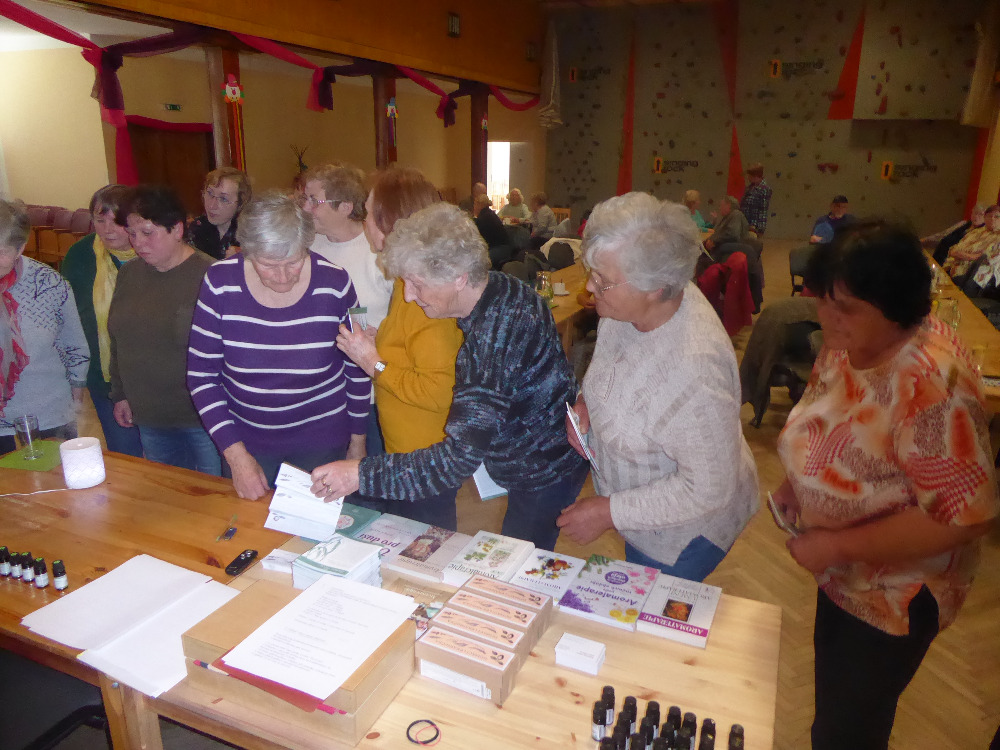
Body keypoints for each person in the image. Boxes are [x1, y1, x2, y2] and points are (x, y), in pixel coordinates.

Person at [773, 220, 999, 750]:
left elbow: (965, 517)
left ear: (895, 307)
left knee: (846, 731)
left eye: (845, 307)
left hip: (896, 592)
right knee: (836, 710)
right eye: (824, 299)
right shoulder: (848, 342)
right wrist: (795, 480)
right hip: (846, 573)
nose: (826, 316)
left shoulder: (930, 384)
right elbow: (824, 413)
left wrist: (836, 546)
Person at [310, 203, 588, 549]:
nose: (409, 296)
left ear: (459, 277)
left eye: (417, 284)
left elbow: (455, 460)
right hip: (540, 452)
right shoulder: (501, 288)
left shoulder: (491, 337)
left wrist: (359, 474)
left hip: (543, 470)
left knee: (521, 558)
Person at [556, 193, 758, 580]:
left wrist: (608, 511)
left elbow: (707, 489)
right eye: (593, 273)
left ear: (654, 288)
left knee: (652, 603)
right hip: (639, 503)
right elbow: (611, 366)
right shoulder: (627, 305)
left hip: (683, 535)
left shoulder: (696, 372)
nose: (591, 287)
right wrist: (585, 403)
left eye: (603, 281)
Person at [187, 192, 370, 499]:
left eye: (294, 262)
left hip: (323, 439)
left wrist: (358, 442)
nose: (284, 277)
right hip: (245, 441)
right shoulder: (218, 282)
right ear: (247, 252)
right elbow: (202, 375)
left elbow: (358, 368)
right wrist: (236, 457)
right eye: (269, 265)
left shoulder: (338, 281)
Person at [333, 168, 464, 528]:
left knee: (426, 544)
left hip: (426, 461)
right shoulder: (408, 281)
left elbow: (439, 391)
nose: (363, 222)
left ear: (388, 221)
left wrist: (372, 362)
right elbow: (413, 353)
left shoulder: (424, 293)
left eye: (368, 212)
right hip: (410, 453)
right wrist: (380, 343)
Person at [108, 185, 219, 474]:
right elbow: (118, 339)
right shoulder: (129, 274)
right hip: (150, 415)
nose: (138, 243)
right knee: (166, 493)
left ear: (177, 229)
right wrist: (120, 394)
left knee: (213, 494)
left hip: (203, 419)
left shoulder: (212, 276)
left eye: (148, 232)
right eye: (132, 233)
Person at [301, 163, 394, 456]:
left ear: (345, 207)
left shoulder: (378, 250)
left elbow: (403, 325)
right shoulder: (306, 247)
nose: (305, 208)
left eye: (314, 200)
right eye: (304, 198)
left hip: (371, 393)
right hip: (319, 394)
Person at [61, 184, 143, 457]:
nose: (107, 230)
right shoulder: (80, 256)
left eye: (116, 221)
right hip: (103, 374)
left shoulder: (150, 251)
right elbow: (68, 315)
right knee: (126, 454)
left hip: (152, 375)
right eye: (100, 220)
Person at [0, 199, 89, 453]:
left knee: (54, 477)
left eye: (1, 251)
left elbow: (74, 345)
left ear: (21, 248)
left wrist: (75, 401)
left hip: (48, 413)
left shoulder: (49, 284)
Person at [186, 167, 251, 260]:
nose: (212, 205)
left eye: (223, 199)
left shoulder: (251, 234)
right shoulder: (197, 227)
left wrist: (246, 258)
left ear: (240, 204)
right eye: (209, 193)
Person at [942, 204, 1000, 280]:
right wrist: (954, 252)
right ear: (985, 218)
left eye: (996, 217)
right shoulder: (975, 231)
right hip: (952, 266)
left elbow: (986, 259)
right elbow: (955, 248)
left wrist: (964, 255)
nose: (992, 219)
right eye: (989, 216)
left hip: (975, 275)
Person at [473, 193, 514, 269]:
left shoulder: (484, 217)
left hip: (499, 249)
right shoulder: (489, 213)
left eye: (475, 204)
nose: (474, 207)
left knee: (480, 260)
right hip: (504, 248)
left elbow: (479, 239)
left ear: (480, 205)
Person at [739, 162, 772, 236]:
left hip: (754, 226)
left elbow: (763, 210)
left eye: (750, 176)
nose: (748, 178)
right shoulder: (749, 188)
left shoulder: (764, 189)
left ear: (755, 176)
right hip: (744, 224)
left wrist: (760, 229)